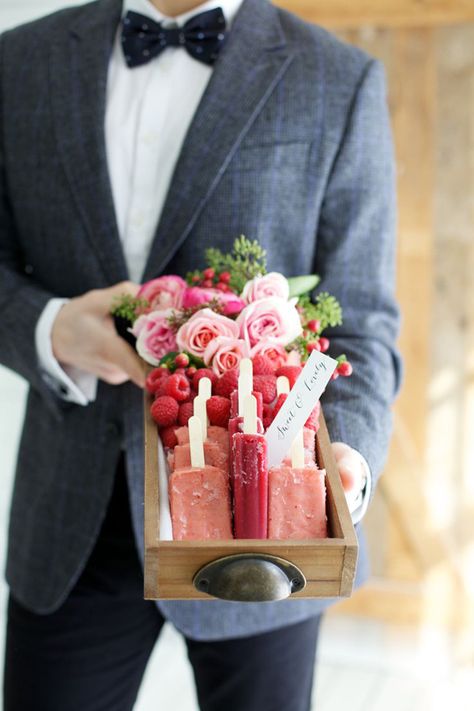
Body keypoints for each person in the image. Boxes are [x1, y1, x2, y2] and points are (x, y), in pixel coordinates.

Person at [0, 0, 401, 708]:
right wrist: (50, 326)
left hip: (268, 524)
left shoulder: (338, 80)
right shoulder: (19, 63)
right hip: (71, 522)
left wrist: (348, 466)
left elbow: (363, 322)